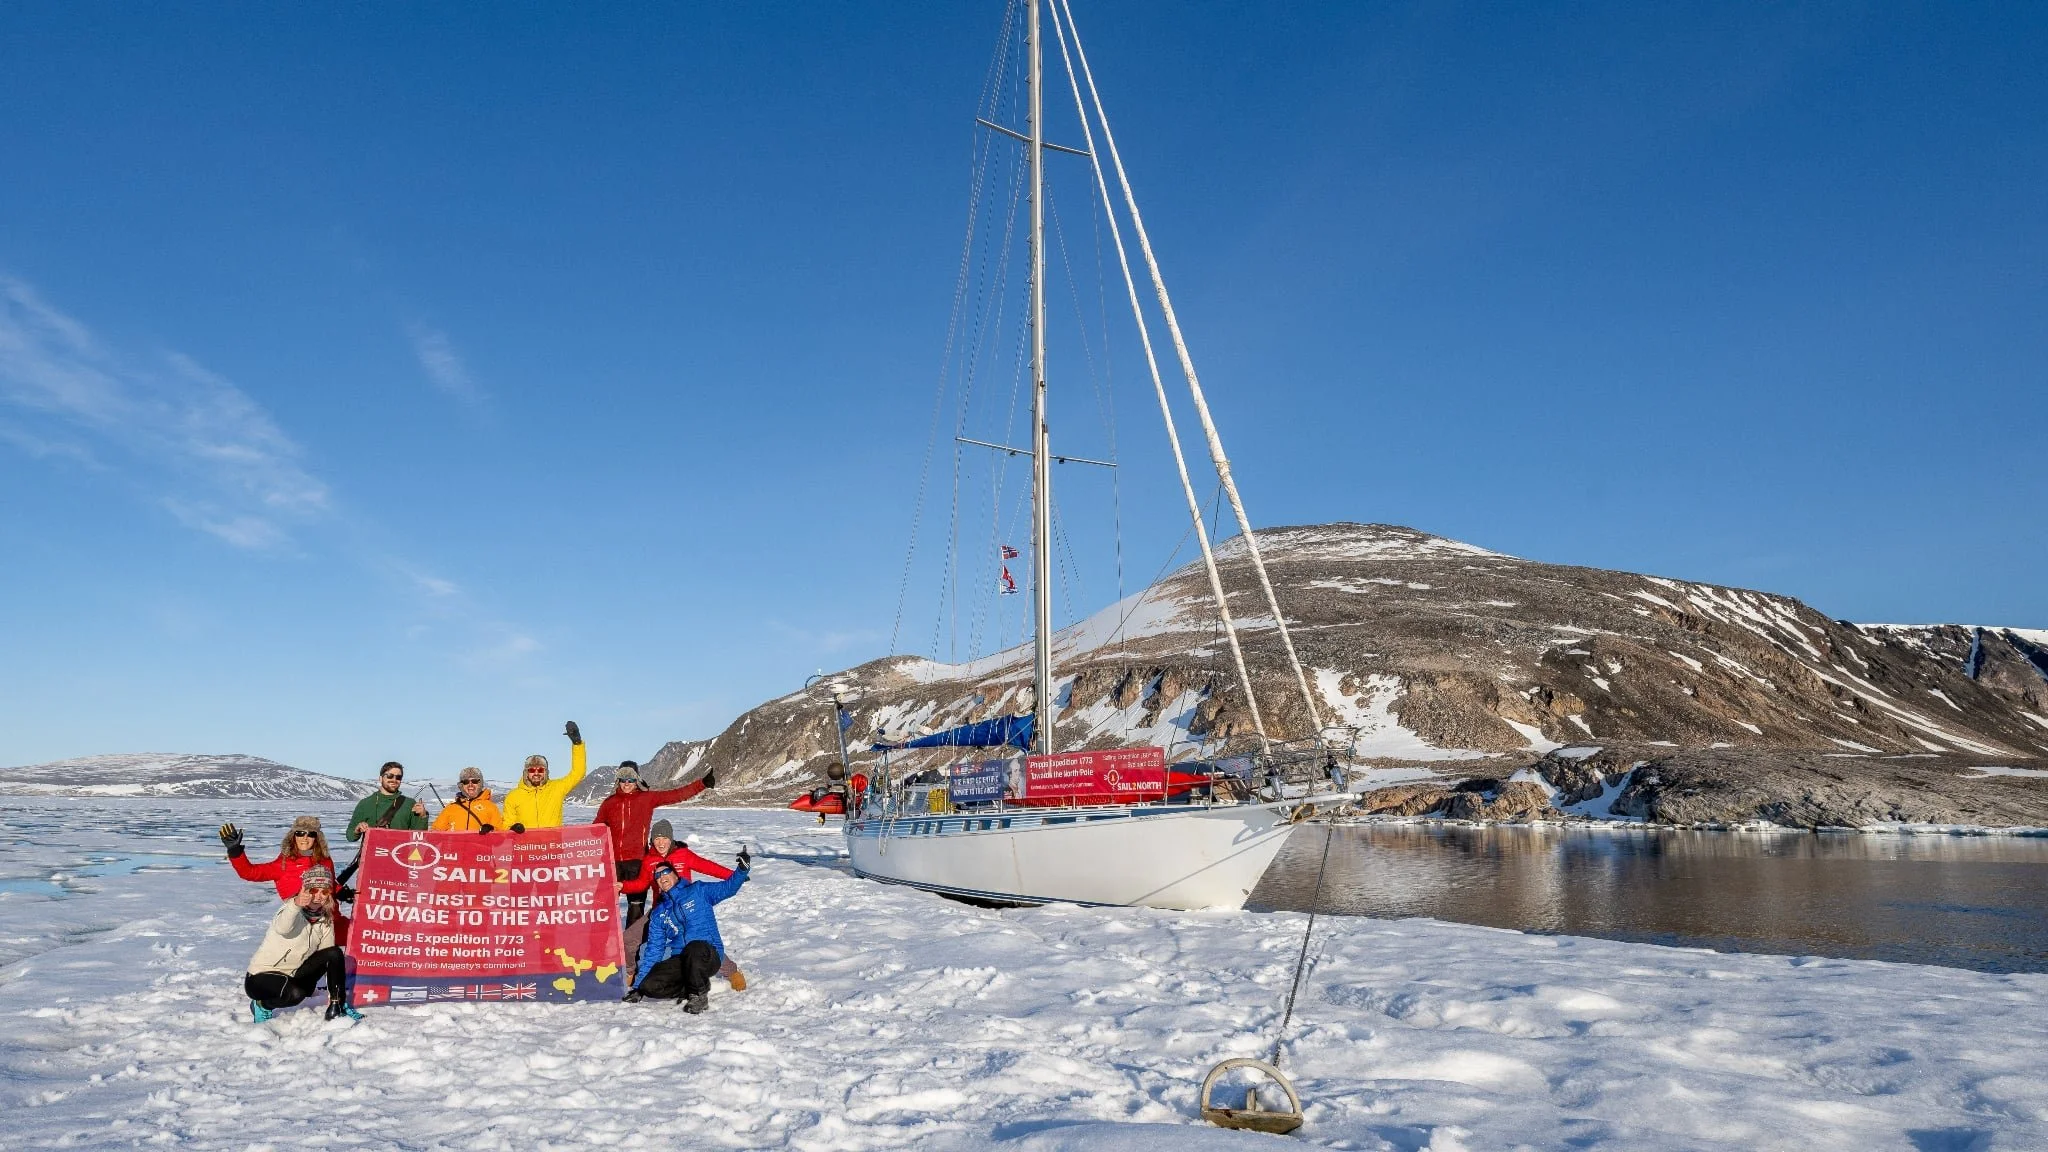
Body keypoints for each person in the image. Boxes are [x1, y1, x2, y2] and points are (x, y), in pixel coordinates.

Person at [618, 820, 744, 986]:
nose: (660, 842)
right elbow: (642, 883)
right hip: (660, 912)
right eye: (656, 839)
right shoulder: (649, 860)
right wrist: (622, 886)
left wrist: (736, 875)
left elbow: (707, 867)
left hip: (687, 911)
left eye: (664, 838)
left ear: (671, 839)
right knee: (628, 939)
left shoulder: (683, 855)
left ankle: (731, 971)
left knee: (698, 943)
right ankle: (630, 973)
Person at [626, 853, 750, 1013]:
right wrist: (638, 988)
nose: (661, 878)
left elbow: (728, 888)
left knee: (694, 948)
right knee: (649, 985)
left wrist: (741, 870)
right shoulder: (659, 913)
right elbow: (654, 950)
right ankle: (686, 987)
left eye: (665, 873)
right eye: (657, 876)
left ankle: (699, 995)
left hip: (708, 954)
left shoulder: (698, 891)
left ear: (676, 875)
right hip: (682, 959)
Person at [594, 764, 716, 926]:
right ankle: (603, 943)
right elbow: (595, 829)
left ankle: (632, 948)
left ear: (636, 779)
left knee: (636, 906)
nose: (627, 783)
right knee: (605, 904)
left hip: (637, 861)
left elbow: (676, 795)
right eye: (623, 779)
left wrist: (701, 784)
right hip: (612, 862)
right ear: (618, 781)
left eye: (630, 778)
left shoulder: (646, 798)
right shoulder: (609, 803)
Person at [244, 865, 360, 1022]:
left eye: (324, 891)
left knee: (334, 953)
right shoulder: (290, 910)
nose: (318, 896)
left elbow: (327, 954)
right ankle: (262, 1005)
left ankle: (338, 1005)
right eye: (313, 890)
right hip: (261, 977)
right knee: (295, 994)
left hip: (293, 975)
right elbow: (283, 928)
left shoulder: (325, 920)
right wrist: (296, 904)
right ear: (305, 890)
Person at [220, 815, 339, 900]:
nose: (305, 838)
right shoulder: (283, 864)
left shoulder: (325, 860)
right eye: (300, 833)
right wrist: (235, 851)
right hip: (300, 923)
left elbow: (331, 885)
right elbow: (249, 872)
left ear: (317, 838)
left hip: (331, 921)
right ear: (293, 836)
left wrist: (341, 892)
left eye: (311, 834)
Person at [501, 722, 588, 832]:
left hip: (552, 846)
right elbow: (506, 825)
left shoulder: (557, 788)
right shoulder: (513, 796)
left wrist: (577, 744)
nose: (536, 773)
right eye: (532, 770)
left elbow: (578, 773)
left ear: (546, 772)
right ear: (526, 773)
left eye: (540, 770)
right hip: (525, 847)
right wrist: (512, 828)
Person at [348, 761, 430, 841]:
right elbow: (350, 836)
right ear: (380, 778)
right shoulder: (365, 804)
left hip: (398, 853)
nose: (394, 780)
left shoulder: (409, 803)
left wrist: (422, 816)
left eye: (398, 777)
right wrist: (357, 829)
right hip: (372, 853)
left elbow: (419, 838)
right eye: (390, 776)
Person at [432, 766, 503, 832]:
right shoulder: (450, 808)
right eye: (466, 782)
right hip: (455, 845)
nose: (470, 785)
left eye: (474, 781)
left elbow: (501, 837)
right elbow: (435, 833)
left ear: (480, 783)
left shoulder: (491, 807)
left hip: (481, 845)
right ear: (461, 785)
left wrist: (492, 829)